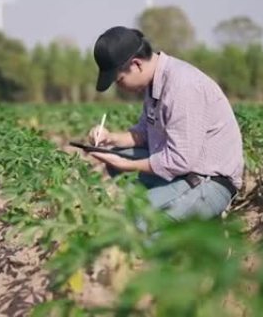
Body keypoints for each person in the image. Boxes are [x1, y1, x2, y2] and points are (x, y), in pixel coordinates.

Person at [86, 26, 244, 221]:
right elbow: (144, 133)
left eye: (119, 80)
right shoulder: (155, 83)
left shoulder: (183, 87)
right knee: (115, 157)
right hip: (182, 173)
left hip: (209, 182)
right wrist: (110, 138)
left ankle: (186, 217)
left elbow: (180, 160)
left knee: (136, 225)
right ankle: (162, 203)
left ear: (136, 65)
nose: (120, 87)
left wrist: (128, 165)